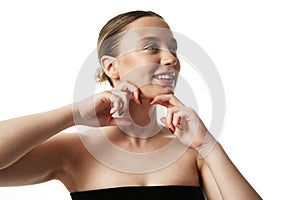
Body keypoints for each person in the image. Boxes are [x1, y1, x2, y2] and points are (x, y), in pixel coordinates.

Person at [0, 10, 262, 199]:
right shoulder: (74, 152)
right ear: (111, 66)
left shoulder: (192, 151)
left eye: (173, 49)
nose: (171, 59)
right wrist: (74, 114)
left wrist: (208, 145)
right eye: (151, 47)